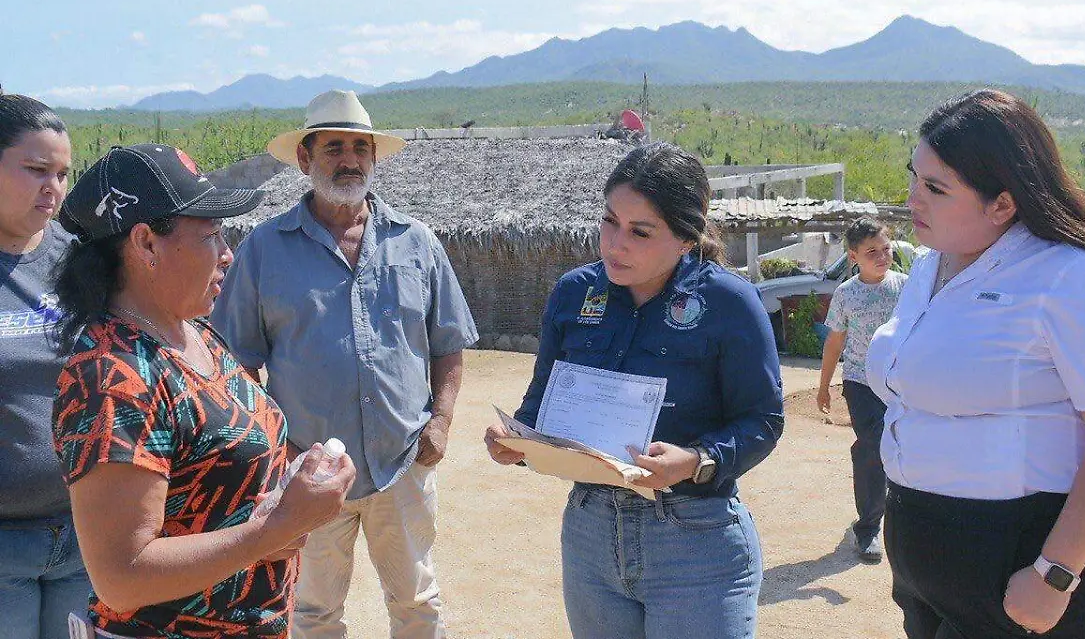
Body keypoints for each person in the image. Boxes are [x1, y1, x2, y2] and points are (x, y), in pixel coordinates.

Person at [865, 89, 1085, 638]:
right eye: (914, 176)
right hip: (931, 560)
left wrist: (1054, 574)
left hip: (1034, 562)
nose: (912, 199)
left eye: (936, 187)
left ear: (1003, 203)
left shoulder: (1074, 279)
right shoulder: (929, 270)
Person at [50, 143, 355, 638]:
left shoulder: (194, 334)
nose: (228, 254)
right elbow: (122, 576)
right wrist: (271, 530)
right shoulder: (112, 379)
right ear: (146, 244)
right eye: (212, 235)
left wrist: (290, 496)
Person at [484, 142, 785, 639]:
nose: (614, 244)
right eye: (609, 221)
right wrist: (515, 440)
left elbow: (763, 421)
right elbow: (541, 402)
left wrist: (694, 460)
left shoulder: (730, 302)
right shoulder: (573, 293)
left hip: (695, 542)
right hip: (590, 535)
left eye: (640, 232)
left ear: (686, 239)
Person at [212, 90, 478, 639]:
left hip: (401, 462)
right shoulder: (264, 249)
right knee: (312, 614)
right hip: (307, 471)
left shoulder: (416, 243)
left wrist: (442, 422)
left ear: (374, 158)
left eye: (361, 147)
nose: (350, 159)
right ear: (305, 160)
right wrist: (274, 451)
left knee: (417, 604)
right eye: (334, 147)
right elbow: (234, 364)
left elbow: (448, 340)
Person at [0, 92, 90, 639]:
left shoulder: (80, 258)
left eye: (62, 173)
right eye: (36, 170)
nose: (53, 188)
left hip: (86, 534)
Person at [816, 216, 907, 562]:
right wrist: (824, 386)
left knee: (900, 444)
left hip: (901, 383)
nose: (882, 256)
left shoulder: (907, 286)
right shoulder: (846, 294)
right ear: (854, 256)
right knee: (872, 444)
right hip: (860, 382)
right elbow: (835, 341)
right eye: (872, 252)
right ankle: (868, 528)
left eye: (886, 249)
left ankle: (901, 517)